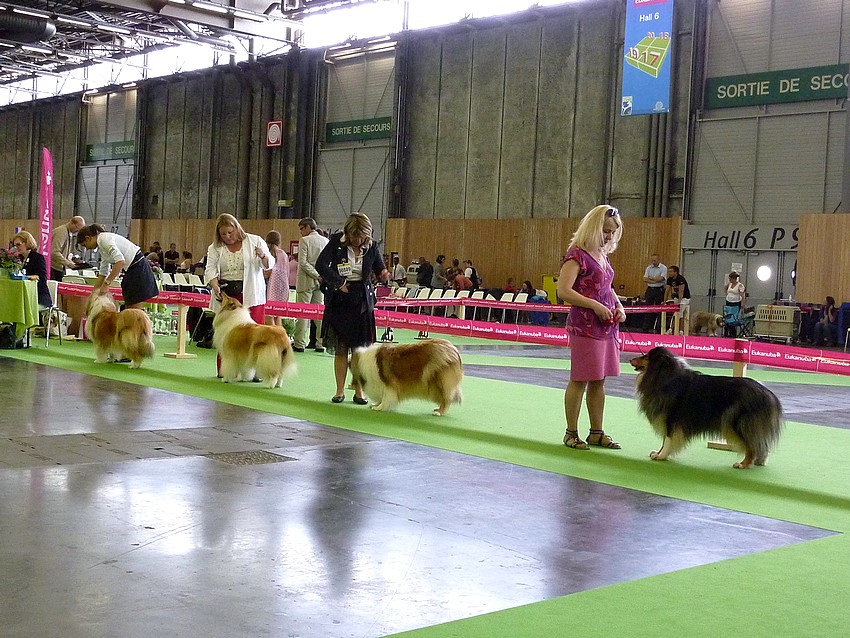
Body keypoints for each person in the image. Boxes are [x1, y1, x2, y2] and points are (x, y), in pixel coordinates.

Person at [556, 204, 625, 451]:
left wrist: (618, 306)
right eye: (605, 231)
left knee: (599, 380)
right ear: (593, 228)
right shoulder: (577, 255)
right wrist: (595, 306)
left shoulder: (602, 256)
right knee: (580, 379)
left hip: (606, 327)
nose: (608, 236)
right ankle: (571, 433)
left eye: (612, 232)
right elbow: (563, 291)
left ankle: (596, 432)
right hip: (585, 327)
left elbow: (607, 287)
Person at [315, 212, 389, 404]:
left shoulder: (371, 246)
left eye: (362, 236)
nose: (358, 240)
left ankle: (359, 391)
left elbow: (378, 267)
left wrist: (383, 273)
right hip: (340, 300)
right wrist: (338, 283)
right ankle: (339, 391)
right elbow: (321, 265)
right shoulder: (336, 242)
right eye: (354, 236)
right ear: (348, 232)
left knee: (360, 351)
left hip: (362, 302)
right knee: (341, 349)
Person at [76, 224, 159, 310]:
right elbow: (103, 273)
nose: (87, 248)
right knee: (129, 307)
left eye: (85, 245)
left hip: (138, 268)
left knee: (133, 309)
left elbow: (120, 262)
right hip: (132, 269)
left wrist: (106, 284)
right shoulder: (101, 246)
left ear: (88, 238)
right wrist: (93, 294)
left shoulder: (104, 240)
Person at [294, 217, 329, 353]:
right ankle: (321, 343)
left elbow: (303, 263)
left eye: (301, 228)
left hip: (306, 281)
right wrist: (320, 276)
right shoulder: (325, 241)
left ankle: (299, 343)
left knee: (302, 313)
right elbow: (327, 263)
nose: (301, 232)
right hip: (320, 282)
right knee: (318, 314)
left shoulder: (304, 241)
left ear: (308, 227)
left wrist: (316, 274)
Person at [12, 231, 51, 309]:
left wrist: (27, 278)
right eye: (14, 245)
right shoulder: (17, 259)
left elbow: (42, 279)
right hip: (22, 296)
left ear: (27, 243)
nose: (16, 248)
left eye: (18, 244)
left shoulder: (38, 258)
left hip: (38, 296)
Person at [263, 230, 289, 327]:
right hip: (281, 288)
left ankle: (272, 337)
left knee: (268, 316)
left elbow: (266, 272)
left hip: (267, 288)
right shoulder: (283, 254)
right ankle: (279, 338)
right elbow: (285, 273)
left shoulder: (267, 253)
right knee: (278, 316)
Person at [50, 215, 85, 280]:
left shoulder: (68, 233)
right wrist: (68, 263)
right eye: (77, 228)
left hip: (58, 266)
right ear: (72, 223)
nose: (77, 231)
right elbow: (54, 252)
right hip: (52, 267)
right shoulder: (61, 232)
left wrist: (70, 262)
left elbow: (63, 253)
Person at [641, 253, 667, 331]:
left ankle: (659, 328)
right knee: (647, 308)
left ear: (659, 260)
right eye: (652, 260)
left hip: (659, 290)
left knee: (659, 309)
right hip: (650, 290)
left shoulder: (663, 268)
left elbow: (661, 278)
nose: (653, 262)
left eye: (655, 260)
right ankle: (645, 328)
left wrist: (651, 279)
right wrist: (654, 280)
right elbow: (644, 279)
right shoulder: (649, 268)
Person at [664, 265, 691, 334]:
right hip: (677, 297)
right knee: (675, 313)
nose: (669, 273)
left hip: (685, 298)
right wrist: (664, 301)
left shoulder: (680, 279)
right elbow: (667, 290)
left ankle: (680, 330)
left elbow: (681, 292)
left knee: (680, 313)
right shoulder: (669, 279)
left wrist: (679, 302)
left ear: (675, 272)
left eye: (671, 272)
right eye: (668, 272)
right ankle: (671, 329)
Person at [723, 271, 746, 337]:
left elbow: (742, 295)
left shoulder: (740, 285)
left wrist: (743, 304)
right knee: (727, 318)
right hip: (728, 302)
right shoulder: (729, 284)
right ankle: (726, 333)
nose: (729, 280)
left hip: (735, 304)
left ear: (734, 279)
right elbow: (725, 289)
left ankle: (732, 334)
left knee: (732, 319)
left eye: (730, 279)